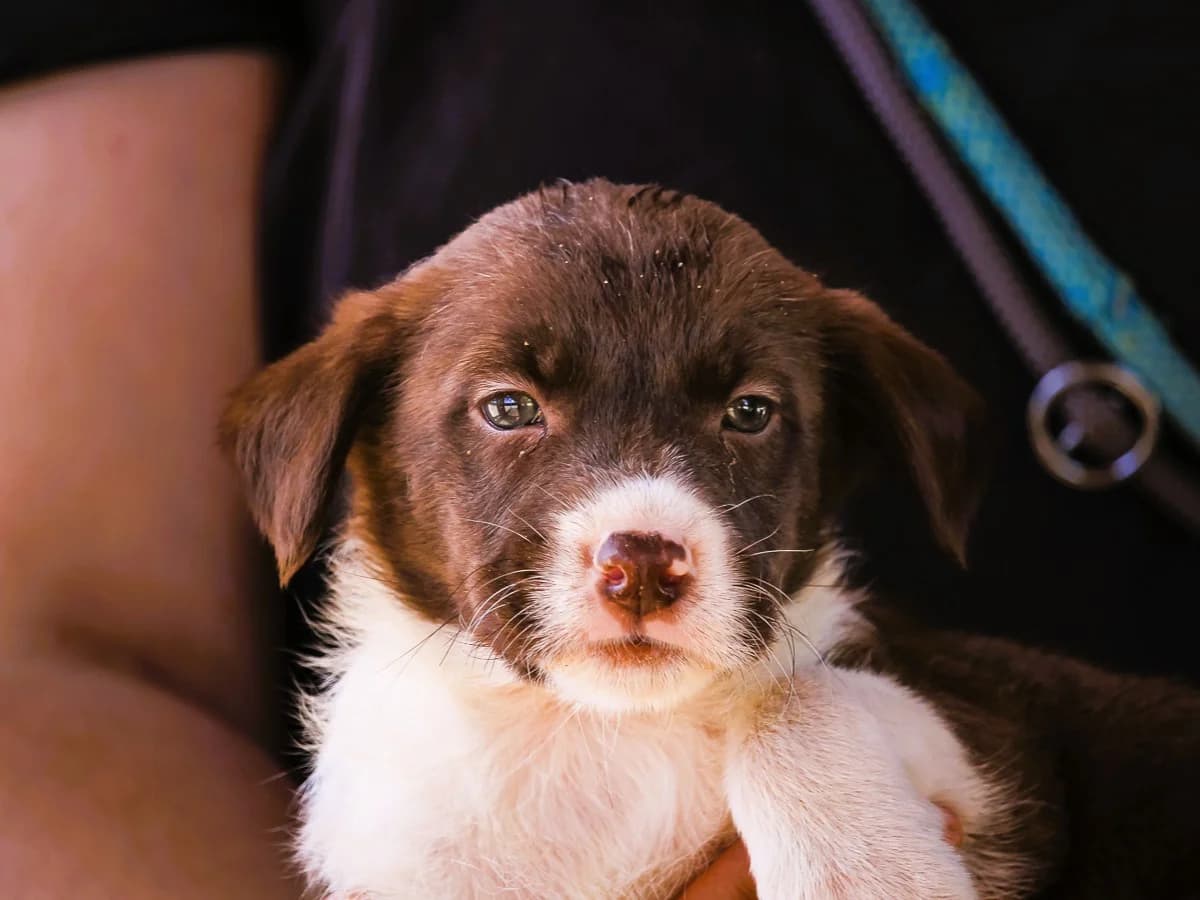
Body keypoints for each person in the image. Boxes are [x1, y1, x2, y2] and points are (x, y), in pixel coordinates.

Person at [2, 3, 1195, 896]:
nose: (641, 532)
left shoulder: (855, 715)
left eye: (746, 415)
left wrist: (824, 757)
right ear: (338, 451)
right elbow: (45, 645)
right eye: (512, 410)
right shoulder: (385, 821)